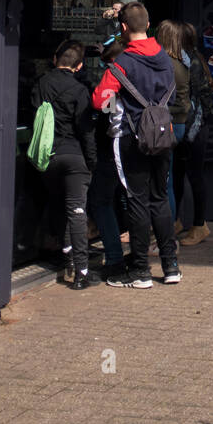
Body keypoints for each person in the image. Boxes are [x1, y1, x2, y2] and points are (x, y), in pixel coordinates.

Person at [92, 1, 180, 289]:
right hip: (163, 135)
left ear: (123, 27)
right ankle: (171, 265)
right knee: (160, 199)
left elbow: (100, 101)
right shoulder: (165, 59)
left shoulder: (123, 62)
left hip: (132, 138)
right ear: (148, 24)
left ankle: (141, 270)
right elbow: (173, 95)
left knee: (137, 201)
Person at [31, 40, 97, 291]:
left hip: (47, 156)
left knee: (59, 205)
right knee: (76, 211)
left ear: (54, 58)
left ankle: (67, 256)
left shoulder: (41, 84)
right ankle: (81, 272)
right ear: (79, 66)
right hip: (74, 156)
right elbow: (86, 131)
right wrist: (91, 161)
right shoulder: (79, 90)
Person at [87, 39, 128, 283]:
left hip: (112, 148)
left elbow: (105, 108)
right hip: (136, 146)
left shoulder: (114, 79)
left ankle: (114, 259)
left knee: (101, 201)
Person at [176, 22, 213, 246]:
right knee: (179, 173)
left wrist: (188, 129)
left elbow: (196, 100)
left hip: (195, 128)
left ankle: (200, 225)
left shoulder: (192, 63)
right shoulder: (191, 59)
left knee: (195, 175)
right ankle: (177, 220)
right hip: (191, 126)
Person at [154, 21, 191, 229]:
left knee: (163, 181)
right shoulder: (182, 61)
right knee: (167, 178)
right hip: (179, 122)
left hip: (168, 123)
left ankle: (165, 229)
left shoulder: (166, 64)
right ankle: (168, 226)